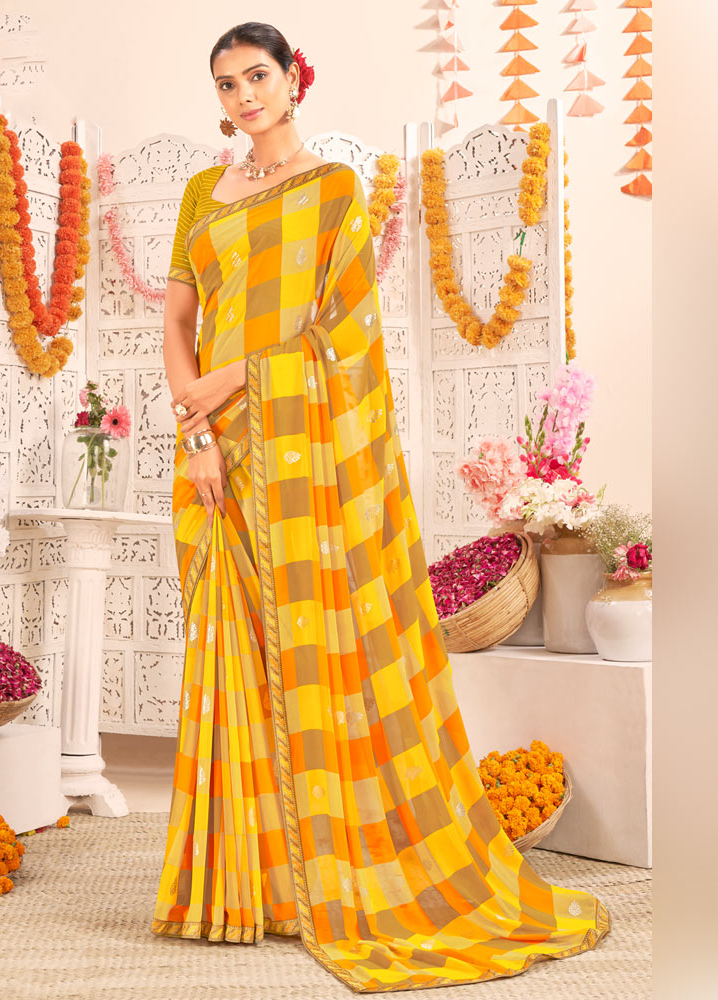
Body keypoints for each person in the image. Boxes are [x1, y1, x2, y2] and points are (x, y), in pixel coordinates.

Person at [151, 20, 611, 993]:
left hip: (302, 456)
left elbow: (344, 338)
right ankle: (249, 885)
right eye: (226, 83)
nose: (243, 96)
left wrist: (230, 379)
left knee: (313, 649)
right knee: (233, 649)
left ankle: (318, 877)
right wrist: (196, 433)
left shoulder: (333, 190)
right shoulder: (201, 193)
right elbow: (177, 322)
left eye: (258, 76)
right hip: (217, 453)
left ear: (293, 80)